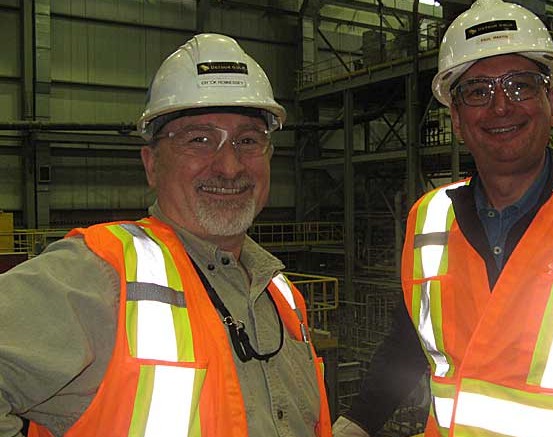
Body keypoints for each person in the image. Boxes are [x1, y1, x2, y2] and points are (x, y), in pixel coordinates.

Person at [332, 0, 553, 436]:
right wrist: (357, 422)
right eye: (478, 92)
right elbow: (410, 342)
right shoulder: (429, 218)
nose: (501, 106)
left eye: (520, 85)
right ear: (456, 116)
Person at [0, 33, 331, 437]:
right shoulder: (100, 274)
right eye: (199, 140)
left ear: (270, 158)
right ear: (152, 164)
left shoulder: (282, 297)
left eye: (247, 141)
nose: (229, 166)